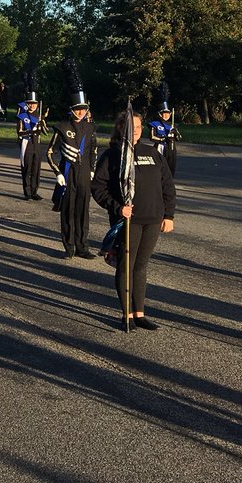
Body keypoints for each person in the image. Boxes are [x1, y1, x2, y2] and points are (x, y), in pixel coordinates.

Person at [92, 110, 176, 330]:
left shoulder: (153, 153)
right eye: (131, 127)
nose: (135, 131)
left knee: (141, 266)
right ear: (121, 128)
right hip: (129, 220)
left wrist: (168, 215)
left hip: (153, 219)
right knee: (126, 266)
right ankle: (126, 314)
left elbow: (167, 186)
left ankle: (140, 313)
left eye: (138, 127)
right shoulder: (113, 155)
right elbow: (98, 187)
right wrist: (118, 208)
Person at [46, 59, 98, 258]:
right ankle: (68, 247)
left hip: (84, 174)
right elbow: (50, 152)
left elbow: (94, 149)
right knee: (68, 212)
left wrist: (92, 168)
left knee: (83, 211)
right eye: (77, 109)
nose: (80, 112)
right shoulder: (62, 127)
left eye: (83, 109)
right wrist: (57, 172)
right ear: (71, 108)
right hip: (67, 176)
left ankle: (82, 246)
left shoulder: (90, 127)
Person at [16, 70, 46, 200]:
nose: (32, 106)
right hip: (27, 143)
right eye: (30, 104)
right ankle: (27, 191)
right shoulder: (22, 116)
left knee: (36, 169)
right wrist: (32, 131)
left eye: (34, 104)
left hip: (37, 144)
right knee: (27, 168)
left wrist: (42, 124)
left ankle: (34, 191)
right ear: (27, 104)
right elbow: (19, 132)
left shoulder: (39, 116)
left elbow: (44, 131)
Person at [149, 81, 180, 179]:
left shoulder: (172, 125)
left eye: (168, 114)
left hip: (171, 148)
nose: (166, 115)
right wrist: (163, 139)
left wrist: (175, 133)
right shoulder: (155, 124)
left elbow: (179, 138)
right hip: (160, 148)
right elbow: (152, 137)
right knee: (160, 166)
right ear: (160, 114)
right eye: (164, 113)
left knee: (171, 166)